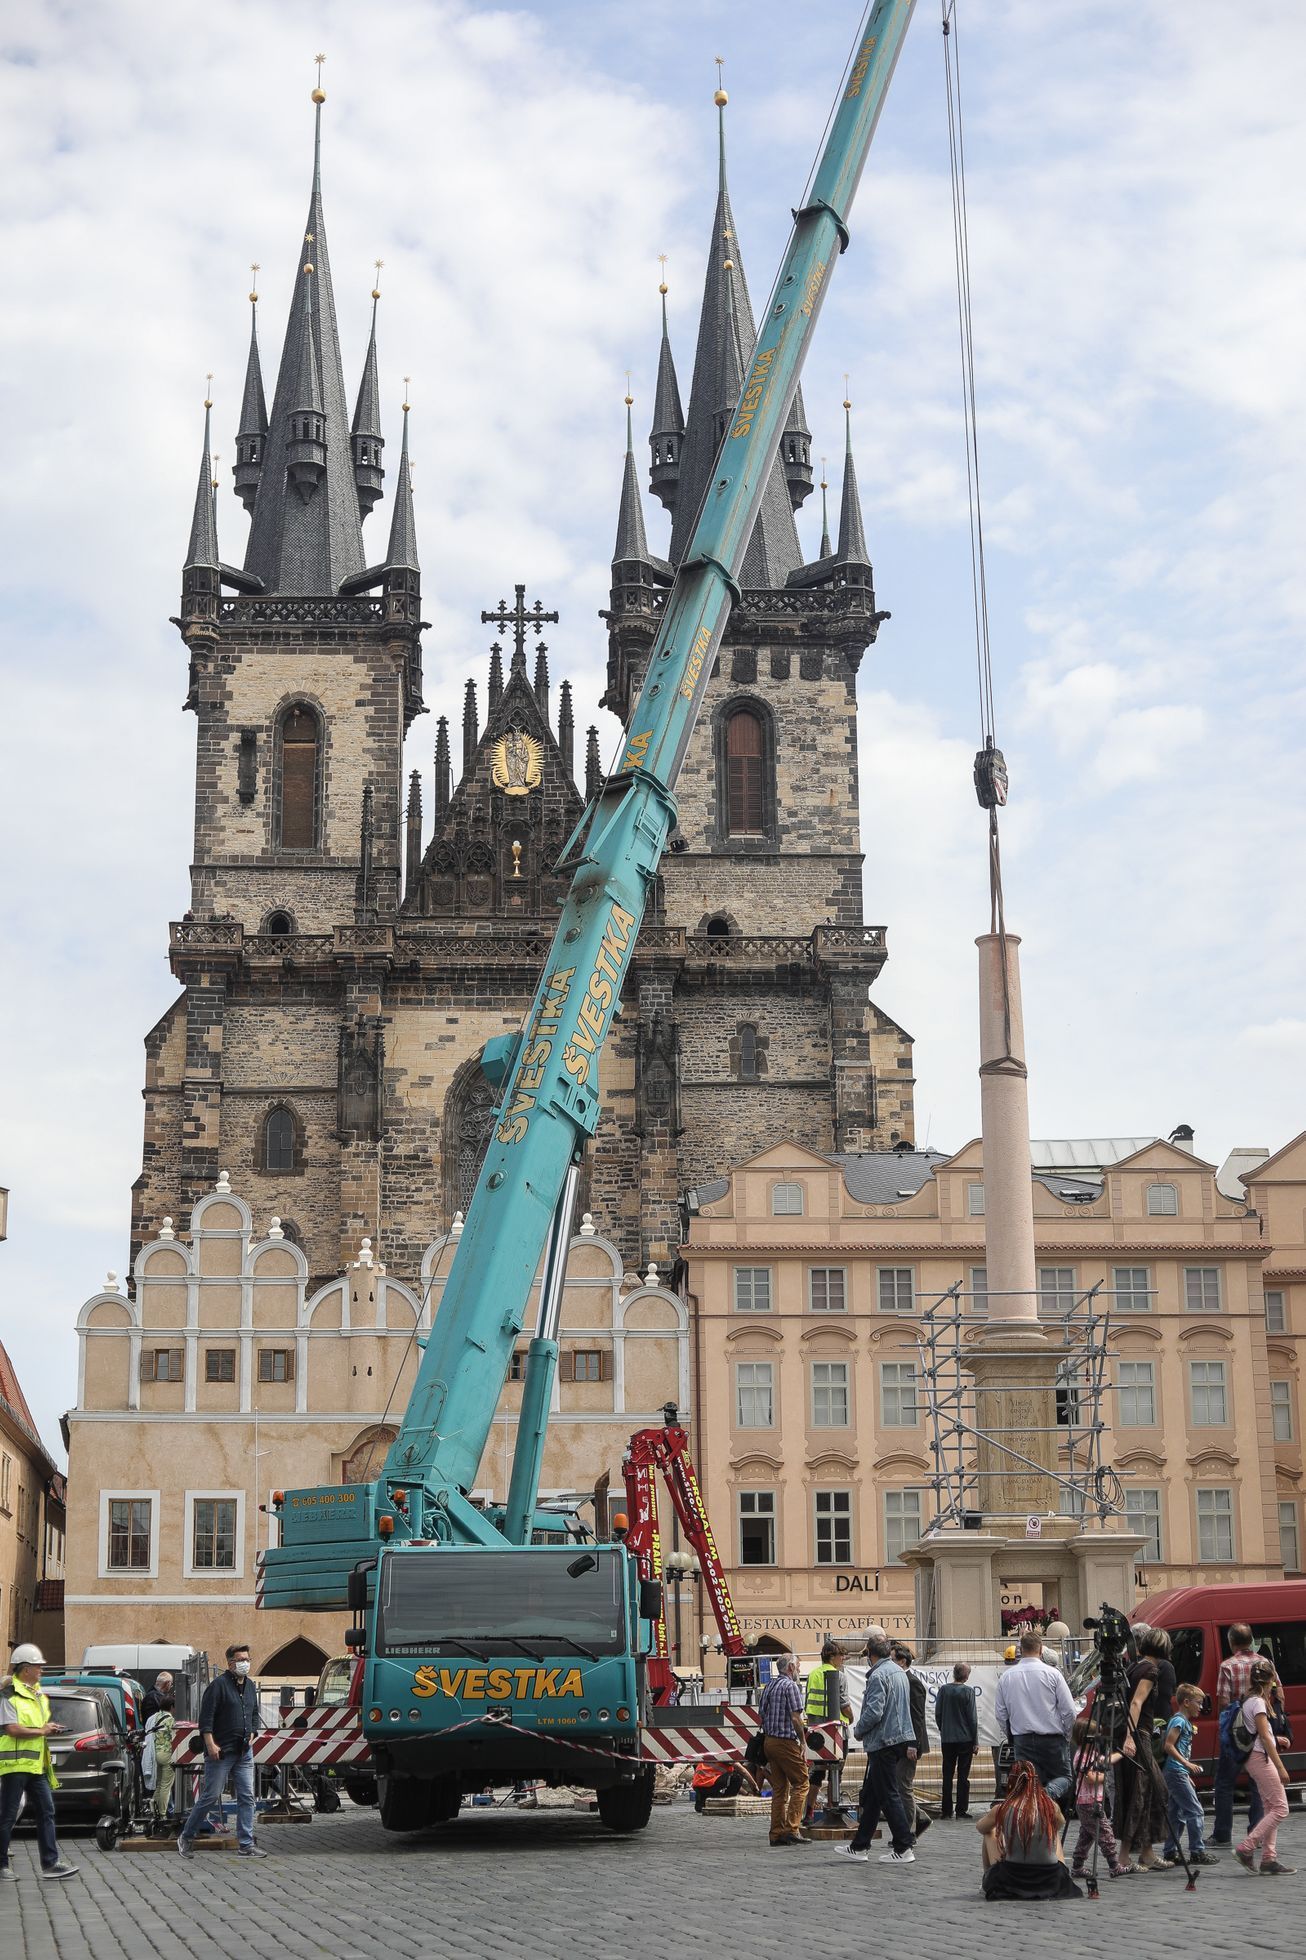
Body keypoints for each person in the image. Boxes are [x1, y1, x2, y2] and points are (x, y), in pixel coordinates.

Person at [177, 1641, 266, 1859]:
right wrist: (210, 1743)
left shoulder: (250, 1686)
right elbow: (206, 1718)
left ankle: (245, 1844)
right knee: (210, 1796)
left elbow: (254, 1713)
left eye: (247, 1660)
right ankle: (186, 1836)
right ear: (230, 1663)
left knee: (247, 1797)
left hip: (244, 1751)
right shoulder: (218, 1686)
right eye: (241, 1660)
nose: (245, 1663)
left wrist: (253, 1732)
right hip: (221, 1752)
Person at [834, 1632, 917, 1865]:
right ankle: (859, 1846)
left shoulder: (879, 1675)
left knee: (889, 1794)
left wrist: (859, 1729)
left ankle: (903, 1847)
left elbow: (874, 1711)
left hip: (882, 1742)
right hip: (895, 1739)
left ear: (869, 1654)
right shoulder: (899, 1673)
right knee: (871, 1796)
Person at [0, 1643, 80, 1881]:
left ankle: (51, 1864)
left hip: (36, 1765)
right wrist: (42, 1730)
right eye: (38, 1667)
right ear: (25, 1669)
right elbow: (12, 1729)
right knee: (7, 1815)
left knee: (47, 1810)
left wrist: (49, 1729)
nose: (41, 1671)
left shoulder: (36, 1695)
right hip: (15, 1765)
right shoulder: (8, 1694)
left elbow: (36, 1727)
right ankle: (2, 1865)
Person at [976, 1757, 1082, 1900]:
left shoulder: (1002, 1809)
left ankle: (988, 1879)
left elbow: (981, 1828)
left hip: (1013, 1875)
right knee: (1053, 1831)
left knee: (990, 1832)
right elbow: (1060, 1824)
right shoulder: (1050, 1807)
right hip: (1051, 1877)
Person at [992, 1630, 1075, 1799]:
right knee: (1065, 1777)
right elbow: (1069, 1710)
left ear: (1020, 1650)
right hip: (1052, 1737)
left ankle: (1036, 1804)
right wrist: (1067, 1734)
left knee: (1028, 1781)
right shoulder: (1053, 1674)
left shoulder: (1007, 1677)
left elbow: (1001, 1713)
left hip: (1022, 1738)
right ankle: (1047, 1795)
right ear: (1041, 1649)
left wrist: (1011, 1734)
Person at [1115, 1629, 1169, 1870]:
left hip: (1135, 1734)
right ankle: (1124, 1856)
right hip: (1140, 1736)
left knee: (1150, 1792)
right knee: (1141, 1793)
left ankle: (1146, 1852)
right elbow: (1136, 1702)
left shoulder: (1135, 1666)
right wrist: (1130, 1736)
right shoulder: (1150, 1670)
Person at [1235, 1659, 1294, 1875]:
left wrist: (1277, 1739)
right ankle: (1247, 1847)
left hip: (1255, 1757)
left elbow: (1262, 1734)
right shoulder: (1258, 1703)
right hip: (1261, 1758)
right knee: (1281, 1808)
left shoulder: (1250, 1700)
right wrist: (1280, 1767)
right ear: (1270, 1680)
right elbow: (1263, 1736)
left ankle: (1269, 1859)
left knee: (1270, 1807)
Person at [1160, 1683, 1218, 1868]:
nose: (1201, 1707)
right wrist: (1187, 1765)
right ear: (1186, 1702)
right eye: (1198, 1703)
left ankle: (1170, 1851)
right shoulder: (1179, 1721)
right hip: (1176, 1771)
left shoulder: (1182, 1721)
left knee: (1176, 1814)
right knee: (1195, 1811)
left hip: (1177, 1772)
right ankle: (1197, 1851)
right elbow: (1169, 1746)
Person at [1212, 1621, 1259, 1844]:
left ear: (1231, 1642)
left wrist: (1224, 1727)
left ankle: (1222, 1834)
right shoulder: (1265, 1662)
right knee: (1257, 1784)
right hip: (1259, 1731)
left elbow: (1223, 1701)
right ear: (1251, 1641)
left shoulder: (1228, 1666)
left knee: (1224, 1783)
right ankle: (1256, 1834)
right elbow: (1279, 1694)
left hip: (1236, 1733)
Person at [1068, 1714, 1129, 1879]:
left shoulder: (1093, 1753)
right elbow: (1091, 1778)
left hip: (1093, 1801)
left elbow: (1105, 1760)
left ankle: (1077, 1867)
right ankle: (1114, 1865)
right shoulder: (1081, 1757)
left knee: (1086, 1837)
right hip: (1087, 1802)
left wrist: (1122, 1753)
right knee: (1105, 1832)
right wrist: (1103, 1774)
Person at [758, 1656, 809, 1848]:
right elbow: (796, 1718)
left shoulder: (769, 1685)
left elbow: (761, 1713)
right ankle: (792, 1829)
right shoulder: (790, 1687)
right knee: (802, 1783)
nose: (799, 1669)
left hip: (769, 1741)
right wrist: (802, 1742)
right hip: (786, 1742)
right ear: (790, 1667)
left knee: (779, 1789)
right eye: (798, 1665)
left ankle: (776, 1833)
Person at [803, 1640, 853, 1826]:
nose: (843, 1659)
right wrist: (852, 1717)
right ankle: (832, 1810)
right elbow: (844, 1704)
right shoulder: (838, 1675)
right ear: (832, 1657)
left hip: (817, 1734)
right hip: (837, 1733)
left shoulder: (813, 1674)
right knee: (836, 1773)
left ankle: (808, 1813)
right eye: (841, 1656)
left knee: (816, 1774)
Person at [892, 1645, 931, 1836]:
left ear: (902, 1661)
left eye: (892, 1659)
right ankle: (920, 1816)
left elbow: (917, 1716)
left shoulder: (912, 1682)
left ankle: (907, 1832)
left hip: (910, 1744)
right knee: (899, 1784)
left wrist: (912, 1744)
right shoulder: (900, 1681)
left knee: (903, 1786)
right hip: (899, 1743)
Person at [935, 1662, 979, 1820]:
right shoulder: (968, 1692)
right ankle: (961, 1809)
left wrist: (943, 1729)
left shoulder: (944, 1690)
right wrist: (975, 1740)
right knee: (963, 1775)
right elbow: (972, 1719)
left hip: (947, 1739)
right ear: (965, 1675)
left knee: (947, 1774)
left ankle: (946, 1810)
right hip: (965, 1738)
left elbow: (938, 1714)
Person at [143, 1693, 177, 1826]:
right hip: (167, 1754)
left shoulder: (154, 1717)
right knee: (166, 1786)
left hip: (155, 1754)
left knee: (158, 1784)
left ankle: (154, 1809)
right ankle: (162, 1814)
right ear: (172, 1707)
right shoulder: (170, 1720)